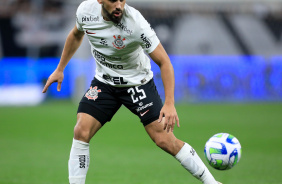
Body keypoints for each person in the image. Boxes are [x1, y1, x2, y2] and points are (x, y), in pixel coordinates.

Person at [42, 0, 222, 183]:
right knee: (81, 130)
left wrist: (169, 103)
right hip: (105, 83)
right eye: (113, 0)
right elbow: (75, 35)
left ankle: (212, 182)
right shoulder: (85, 11)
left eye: (122, 0)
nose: (119, 5)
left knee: (164, 140)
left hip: (137, 84)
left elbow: (165, 62)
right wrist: (60, 68)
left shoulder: (136, 23)